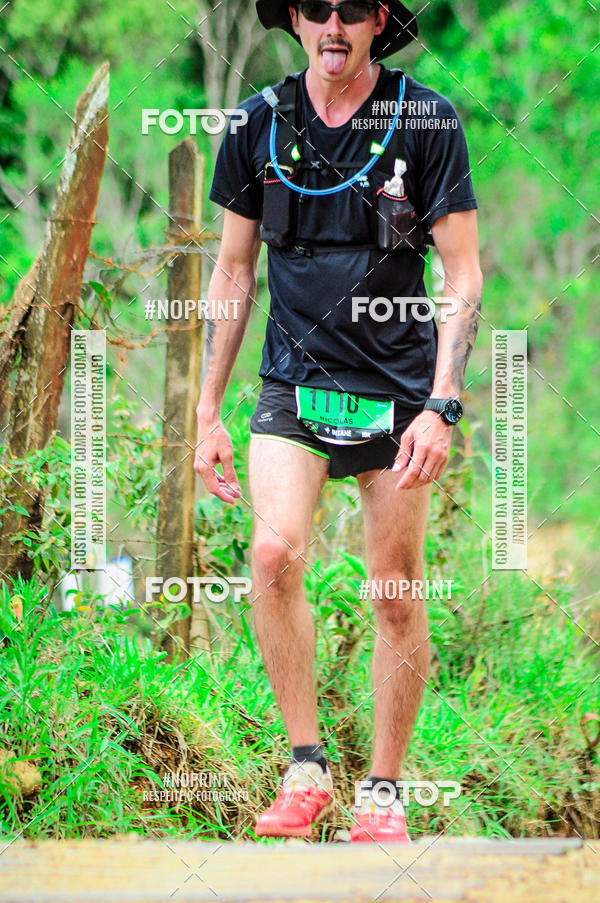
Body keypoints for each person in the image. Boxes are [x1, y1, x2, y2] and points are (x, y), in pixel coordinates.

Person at [194, 0, 483, 842]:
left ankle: (385, 790)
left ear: (378, 19)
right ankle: (306, 765)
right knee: (274, 551)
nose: (333, 22)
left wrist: (441, 406)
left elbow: (462, 278)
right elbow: (233, 272)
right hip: (292, 385)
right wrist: (210, 407)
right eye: (317, 5)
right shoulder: (257, 125)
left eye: (352, 8)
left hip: (398, 391)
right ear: (292, 16)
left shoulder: (424, 119)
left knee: (393, 591)